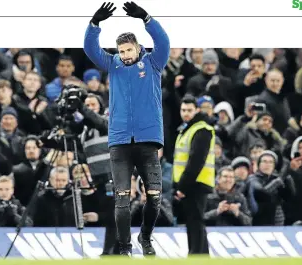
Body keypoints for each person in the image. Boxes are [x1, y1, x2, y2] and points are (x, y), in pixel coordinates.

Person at [84, 1, 170, 256]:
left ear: (138, 47)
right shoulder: (113, 65)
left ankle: (145, 238)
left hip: (147, 141)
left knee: (154, 198)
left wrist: (146, 18)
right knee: (121, 199)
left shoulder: (154, 63)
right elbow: (90, 49)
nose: (125, 55)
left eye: (129, 50)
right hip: (120, 142)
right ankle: (124, 248)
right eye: (121, 51)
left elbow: (163, 41)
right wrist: (94, 24)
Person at [172, 96, 216, 254]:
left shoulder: (201, 129)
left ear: (197, 110)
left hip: (196, 183)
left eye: (189, 110)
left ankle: (196, 255)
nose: (186, 113)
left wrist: (182, 186)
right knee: (193, 223)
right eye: (183, 110)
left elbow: (196, 161)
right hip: (190, 183)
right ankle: (200, 255)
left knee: (195, 223)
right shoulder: (187, 129)